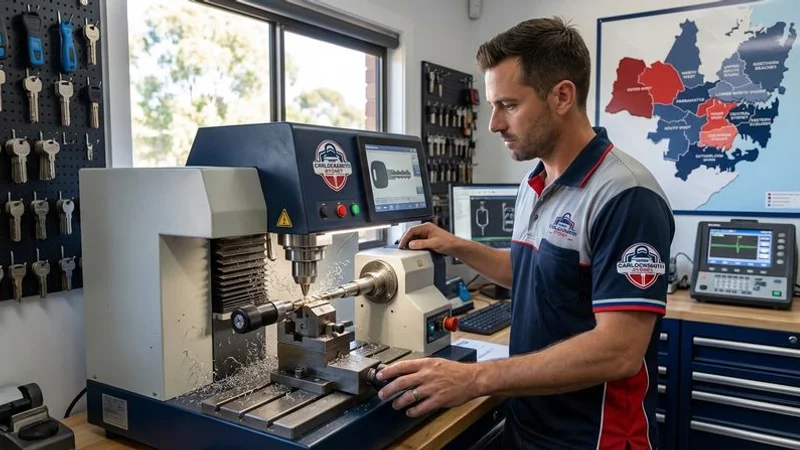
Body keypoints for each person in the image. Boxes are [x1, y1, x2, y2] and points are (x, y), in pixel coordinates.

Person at [375, 16, 675, 449]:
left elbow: (620, 350)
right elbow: (534, 275)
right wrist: (457, 244)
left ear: (562, 96)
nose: (494, 124)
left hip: (592, 438)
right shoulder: (534, 183)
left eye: (508, 106)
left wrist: (477, 377)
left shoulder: (626, 195)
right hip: (529, 423)